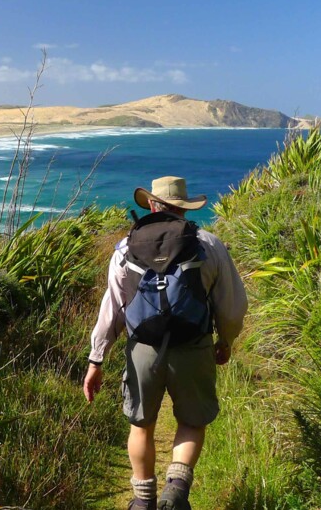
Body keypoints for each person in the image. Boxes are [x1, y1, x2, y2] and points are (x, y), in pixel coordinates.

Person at [82, 176, 248, 510]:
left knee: (141, 425)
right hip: (193, 345)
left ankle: (143, 502)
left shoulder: (125, 247)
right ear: (184, 209)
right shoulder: (207, 244)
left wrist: (96, 359)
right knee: (190, 421)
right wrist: (225, 341)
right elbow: (232, 306)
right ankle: (175, 490)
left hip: (142, 348)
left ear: (153, 205)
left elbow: (112, 308)